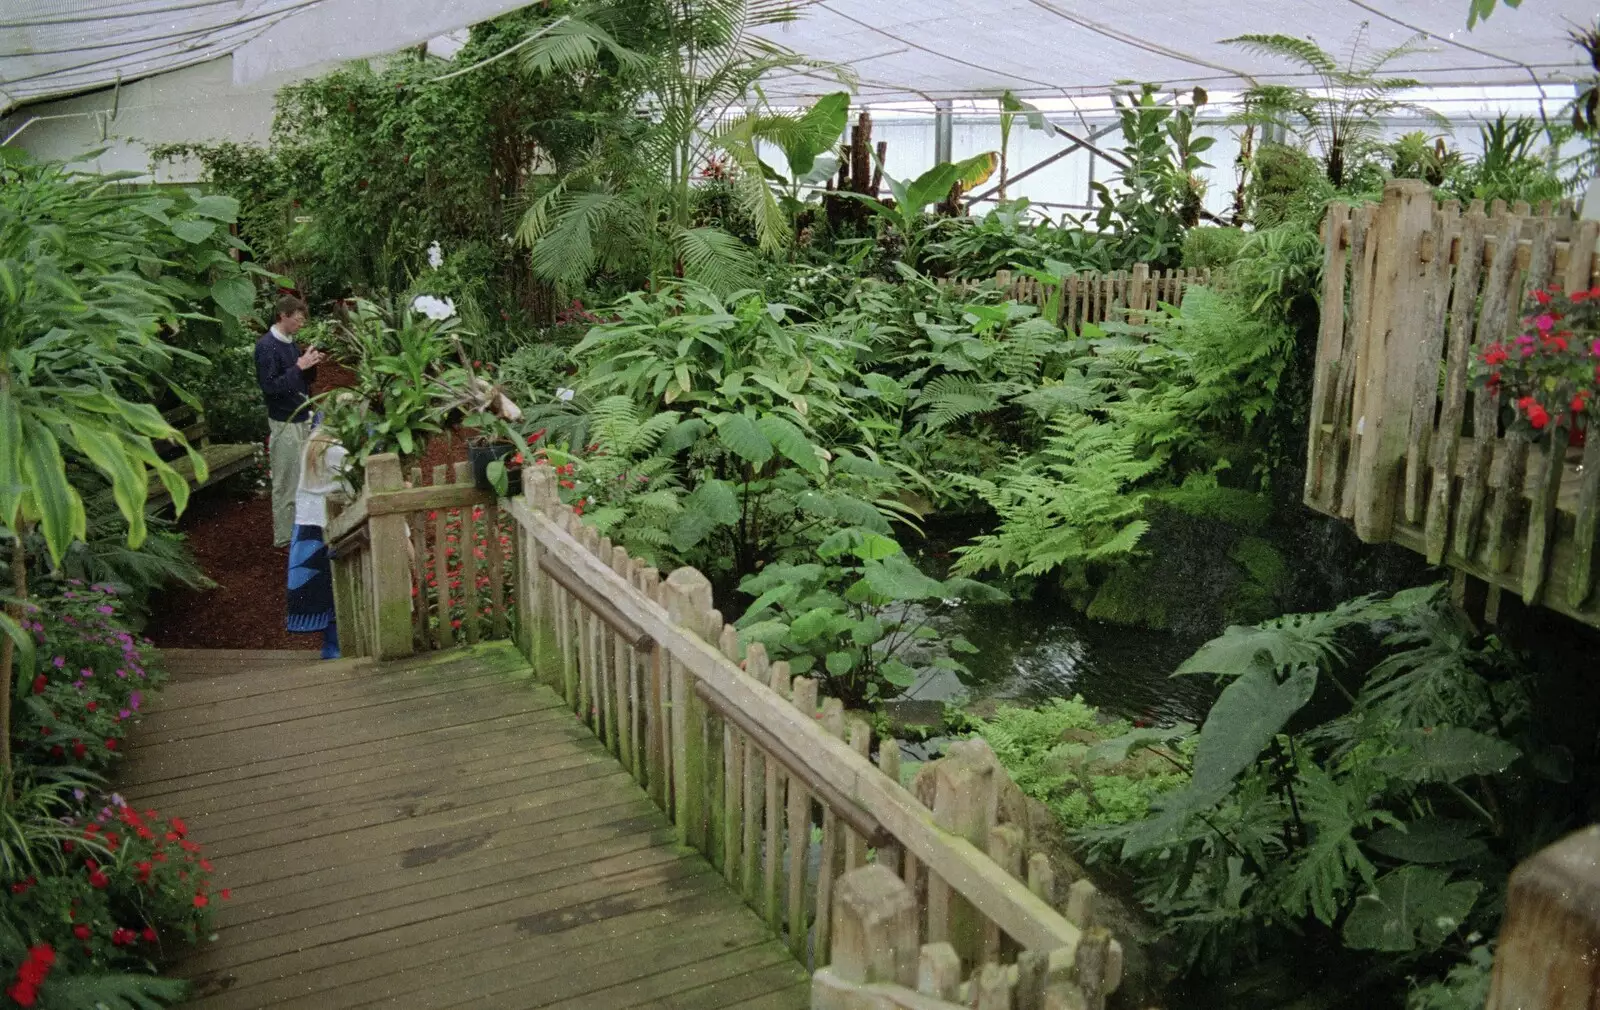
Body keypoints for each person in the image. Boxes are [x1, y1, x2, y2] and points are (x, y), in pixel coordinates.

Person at [256, 295, 324, 548]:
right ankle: (284, 539)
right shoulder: (266, 347)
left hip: (303, 417)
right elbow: (270, 387)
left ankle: (303, 532)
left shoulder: (291, 343)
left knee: (306, 478)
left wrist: (310, 363)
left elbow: (301, 380)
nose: (300, 324)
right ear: (283, 316)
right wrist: (298, 367)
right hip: (285, 423)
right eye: (297, 319)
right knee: (286, 482)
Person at [287, 420, 348, 659]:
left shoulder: (314, 443)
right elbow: (354, 481)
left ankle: (331, 646)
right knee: (331, 585)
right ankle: (334, 648)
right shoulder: (335, 450)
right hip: (324, 524)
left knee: (322, 586)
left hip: (307, 524)